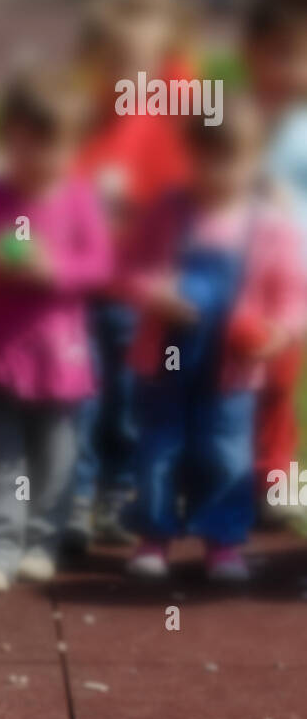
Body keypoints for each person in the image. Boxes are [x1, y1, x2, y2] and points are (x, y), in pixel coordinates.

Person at [0, 70, 111, 591]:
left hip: (60, 358)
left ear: (75, 146)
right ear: (5, 138)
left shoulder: (78, 199)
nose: (36, 157)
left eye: (51, 145)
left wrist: (54, 270)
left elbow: (100, 266)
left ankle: (41, 541)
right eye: (23, 142)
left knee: (55, 458)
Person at [125, 99, 305, 583]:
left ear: (255, 160)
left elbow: (293, 295)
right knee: (160, 446)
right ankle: (153, 536)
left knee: (224, 451)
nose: (219, 173)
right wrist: (155, 293)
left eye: (233, 161)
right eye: (207, 160)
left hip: (232, 365)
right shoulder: (169, 211)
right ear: (191, 156)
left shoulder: (271, 226)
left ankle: (222, 541)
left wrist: (279, 332)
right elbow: (132, 267)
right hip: (170, 354)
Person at [71, 0, 192, 550]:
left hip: (139, 295)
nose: (127, 73)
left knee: (129, 401)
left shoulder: (173, 113)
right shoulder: (86, 115)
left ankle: (117, 491)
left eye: (139, 61)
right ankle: (75, 494)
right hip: (82, 289)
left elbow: (186, 195)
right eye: (115, 60)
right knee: (80, 399)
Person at [244, 0, 307, 518]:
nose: (296, 70)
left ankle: (275, 477)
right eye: (283, 54)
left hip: (290, 283)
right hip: (234, 277)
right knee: (223, 382)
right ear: (253, 54)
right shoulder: (232, 120)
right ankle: (217, 473)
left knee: (279, 382)